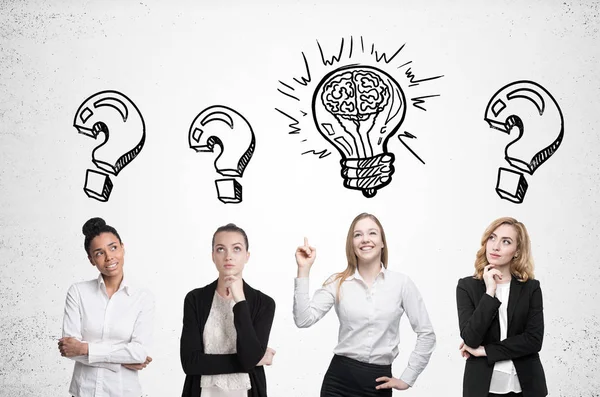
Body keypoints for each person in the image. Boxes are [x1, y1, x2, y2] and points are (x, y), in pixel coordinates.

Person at [293, 213, 436, 396]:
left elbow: (427, 334)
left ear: (382, 242)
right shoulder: (338, 282)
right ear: (351, 244)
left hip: (378, 385)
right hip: (339, 382)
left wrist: (408, 378)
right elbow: (303, 319)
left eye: (372, 233)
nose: (365, 239)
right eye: (358, 234)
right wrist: (303, 270)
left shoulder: (401, 284)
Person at [59, 217, 154, 397]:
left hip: (125, 392)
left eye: (113, 247)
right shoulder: (78, 292)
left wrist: (86, 349)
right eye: (99, 252)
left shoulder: (142, 298)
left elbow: (139, 352)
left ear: (122, 247)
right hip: (83, 392)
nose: (109, 256)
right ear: (91, 259)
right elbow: (70, 349)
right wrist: (121, 360)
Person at [180, 223, 276, 397]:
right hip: (202, 392)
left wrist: (240, 300)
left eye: (236, 249)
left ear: (247, 256)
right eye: (221, 249)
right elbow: (190, 363)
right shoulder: (195, 299)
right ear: (213, 256)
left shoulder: (264, 303)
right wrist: (255, 360)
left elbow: (249, 357)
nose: (228, 256)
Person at [456, 217, 548, 397]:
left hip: (527, 386)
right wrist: (490, 291)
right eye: (492, 238)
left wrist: (486, 351)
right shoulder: (467, 287)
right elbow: (470, 338)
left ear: (517, 251)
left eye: (506, 242)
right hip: (483, 387)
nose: (495, 246)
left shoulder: (531, 288)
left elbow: (533, 340)